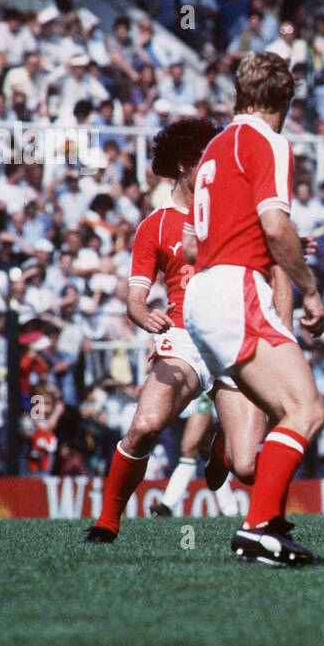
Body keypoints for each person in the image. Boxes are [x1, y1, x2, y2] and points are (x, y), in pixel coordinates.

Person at [183, 51, 324, 567]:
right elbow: (273, 226)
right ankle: (257, 528)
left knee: (252, 453)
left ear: (239, 95)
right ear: (285, 100)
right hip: (234, 291)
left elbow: (198, 242)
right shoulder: (270, 142)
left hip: (201, 296)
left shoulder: (216, 147)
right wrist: (310, 291)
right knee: (306, 409)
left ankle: (265, 514)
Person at [81, 118, 241, 543]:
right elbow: (135, 298)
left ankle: (224, 448)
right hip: (184, 339)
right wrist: (142, 314)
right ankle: (107, 523)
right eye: (208, 160)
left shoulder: (230, 212)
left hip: (231, 335)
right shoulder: (155, 225)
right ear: (188, 166)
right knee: (146, 425)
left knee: (247, 463)